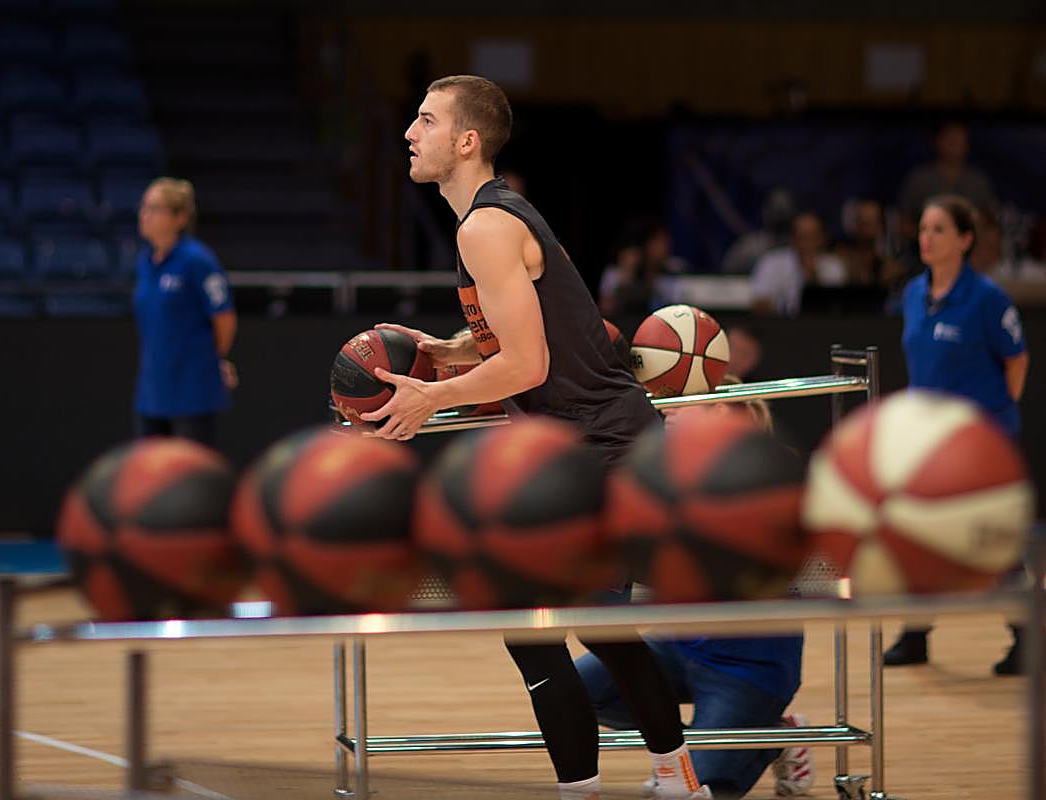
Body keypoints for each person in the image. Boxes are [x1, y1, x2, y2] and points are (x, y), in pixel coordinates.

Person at [362, 75, 711, 799]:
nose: (408, 133)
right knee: (589, 627)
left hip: (605, 449)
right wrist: (456, 349)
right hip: (597, 447)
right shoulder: (495, 220)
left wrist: (434, 395)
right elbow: (525, 330)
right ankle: (676, 780)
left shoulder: (483, 227)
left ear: (466, 142)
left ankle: (630, 784)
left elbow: (527, 363)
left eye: (425, 121)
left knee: (536, 625)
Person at [575, 379, 814, 800]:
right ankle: (704, 745)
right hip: (678, 646)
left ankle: (771, 736)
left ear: (720, 413)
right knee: (576, 688)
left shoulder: (768, 478)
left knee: (697, 793)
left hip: (748, 669)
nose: (666, 412)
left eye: (682, 406)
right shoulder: (668, 471)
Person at [885, 194, 1031, 674]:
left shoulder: (987, 298)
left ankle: (1028, 636)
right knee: (921, 533)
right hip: (929, 441)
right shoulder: (913, 293)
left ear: (965, 240)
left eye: (939, 230)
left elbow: (1017, 360)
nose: (927, 238)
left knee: (993, 544)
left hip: (979, 443)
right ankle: (916, 633)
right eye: (924, 229)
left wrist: (991, 421)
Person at [132, 177, 238, 448]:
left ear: (179, 218)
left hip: (192, 393)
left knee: (189, 478)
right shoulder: (145, 262)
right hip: (153, 391)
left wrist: (211, 360)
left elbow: (224, 318)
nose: (144, 214)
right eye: (144, 206)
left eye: (154, 208)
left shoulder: (197, 261)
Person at [749, 211, 847, 316]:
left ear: (823, 238)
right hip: (780, 327)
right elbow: (759, 303)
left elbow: (836, 307)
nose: (807, 243)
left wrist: (813, 277)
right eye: (802, 236)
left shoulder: (834, 266)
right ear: (793, 238)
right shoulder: (772, 262)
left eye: (812, 236)